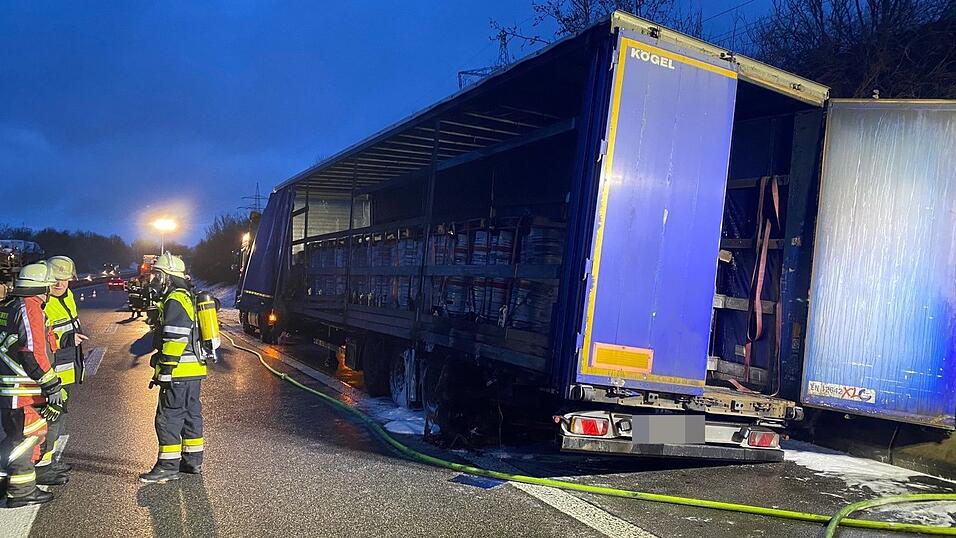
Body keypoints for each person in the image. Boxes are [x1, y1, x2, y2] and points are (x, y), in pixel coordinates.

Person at [0, 262, 68, 507]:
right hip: (22, 391)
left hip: (10, 387)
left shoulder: (8, 306)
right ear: (44, 286)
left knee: (12, 437)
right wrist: (52, 387)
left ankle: (4, 483)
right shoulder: (30, 307)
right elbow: (33, 350)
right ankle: (22, 491)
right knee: (27, 438)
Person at [139, 253, 206, 483]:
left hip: (178, 370)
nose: (154, 280)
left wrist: (166, 369)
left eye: (158, 275)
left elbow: (175, 337)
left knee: (168, 417)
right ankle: (192, 461)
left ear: (168, 277)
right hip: (193, 369)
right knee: (191, 415)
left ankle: (167, 466)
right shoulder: (187, 295)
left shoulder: (175, 298)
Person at [38, 256, 88, 478]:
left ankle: (49, 461)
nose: (60, 285)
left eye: (65, 280)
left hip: (65, 372)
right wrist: (66, 340)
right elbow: (37, 341)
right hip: (51, 375)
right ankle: (41, 466)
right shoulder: (43, 302)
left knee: (60, 418)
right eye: (55, 280)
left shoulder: (68, 297)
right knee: (51, 420)